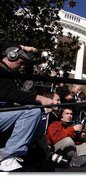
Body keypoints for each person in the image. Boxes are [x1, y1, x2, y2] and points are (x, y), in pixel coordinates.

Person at [0, 43, 54, 171]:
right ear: (11, 56)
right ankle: (6, 156)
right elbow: (7, 93)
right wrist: (39, 98)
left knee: (37, 117)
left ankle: (31, 155)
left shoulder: (10, 76)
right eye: (21, 60)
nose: (22, 65)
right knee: (32, 112)